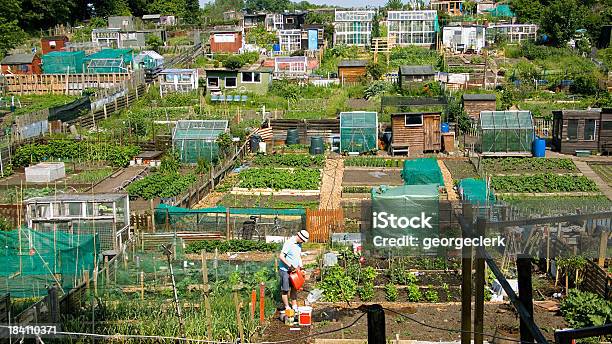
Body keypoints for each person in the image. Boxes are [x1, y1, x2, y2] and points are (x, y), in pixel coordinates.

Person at [278, 229, 309, 312]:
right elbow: (281, 256)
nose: (302, 242)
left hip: (294, 271)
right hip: (285, 270)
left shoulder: (299, 244)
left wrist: (301, 267)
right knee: (285, 289)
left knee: (295, 287)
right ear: (299, 236)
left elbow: (298, 257)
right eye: (302, 240)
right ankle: (287, 307)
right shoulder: (289, 243)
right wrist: (290, 266)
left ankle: (294, 306)